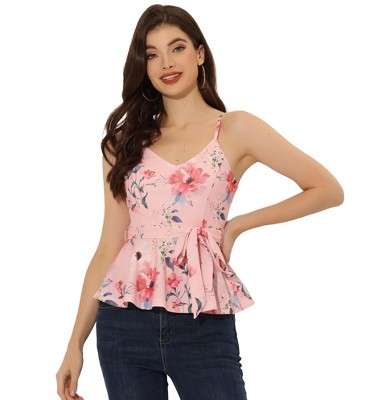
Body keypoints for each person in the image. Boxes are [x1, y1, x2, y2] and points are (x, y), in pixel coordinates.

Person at [56, 4, 344, 400]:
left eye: (177, 48)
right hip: (123, 326)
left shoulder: (236, 128)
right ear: (143, 66)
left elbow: (327, 189)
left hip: (203, 322)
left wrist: (237, 225)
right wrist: (75, 344)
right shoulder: (123, 143)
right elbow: (109, 246)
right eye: (152, 54)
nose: (166, 63)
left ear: (200, 53)